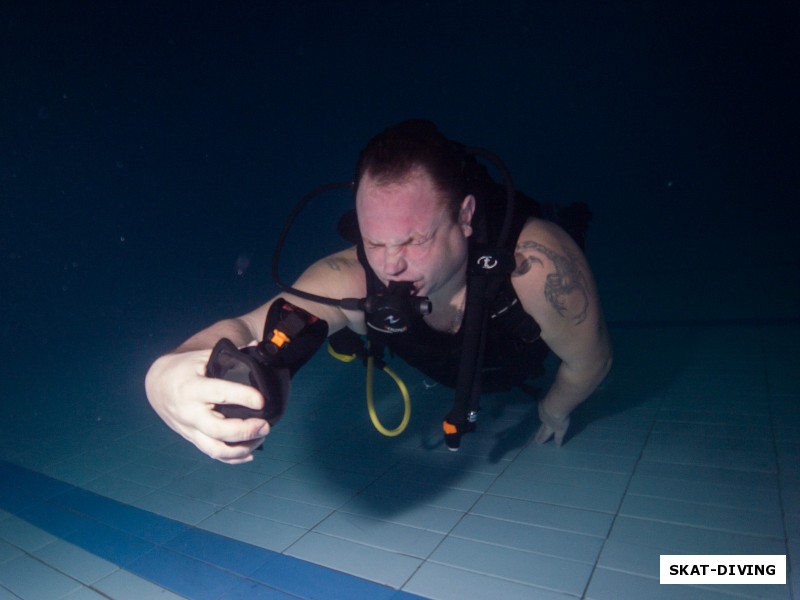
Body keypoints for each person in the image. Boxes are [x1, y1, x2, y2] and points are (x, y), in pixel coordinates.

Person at [145, 120, 612, 464]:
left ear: (465, 218)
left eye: (414, 240)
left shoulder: (534, 266)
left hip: (521, 346)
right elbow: (249, 325)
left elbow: (590, 361)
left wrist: (554, 409)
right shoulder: (351, 275)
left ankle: (573, 215)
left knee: (568, 233)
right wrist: (164, 375)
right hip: (462, 368)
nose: (391, 266)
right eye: (374, 240)